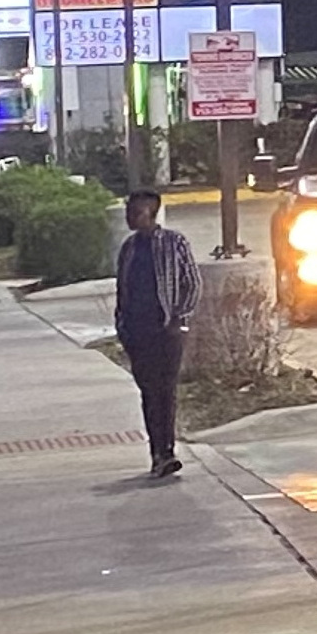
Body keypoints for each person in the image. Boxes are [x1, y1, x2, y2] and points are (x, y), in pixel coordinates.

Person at [112, 188, 199, 479]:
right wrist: (122, 326)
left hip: (167, 330)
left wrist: (178, 318)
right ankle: (157, 452)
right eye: (129, 212)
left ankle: (167, 451)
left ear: (151, 213)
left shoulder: (174, 243)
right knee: (149, 391)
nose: (130, 217)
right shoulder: (129, 248)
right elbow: (121, 290)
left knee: (166, 390)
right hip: (137, 333)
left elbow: (192, 283)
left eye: (135, 212)